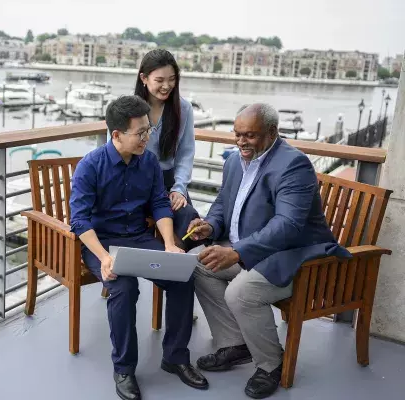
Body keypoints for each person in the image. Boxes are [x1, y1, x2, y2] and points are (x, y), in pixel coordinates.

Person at [185, 103, 351, 399]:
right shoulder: (235, 161)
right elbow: (224, 204)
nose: (240, 142)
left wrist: (236, 252)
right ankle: (236, 344)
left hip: (294, 257)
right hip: (253, 250)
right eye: (237, 134)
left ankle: (272, 363)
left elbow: (287, 225)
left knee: (241, 292)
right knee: (195, 264)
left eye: (249, 135)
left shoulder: (293, 165)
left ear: (272, 132)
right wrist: (210, 226)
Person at [70, 95, 208, 400]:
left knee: (183, 276)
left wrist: (170, 245)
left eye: (149, 131)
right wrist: (104, 257)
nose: (148, 138)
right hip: (101, 244)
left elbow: (160, 203)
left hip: (138, 238)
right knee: (123, 287)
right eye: (141, 133)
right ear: (116, 135)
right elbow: (79, 221)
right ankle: (124, 369)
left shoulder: (148, 162)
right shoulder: (90, 166)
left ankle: (175, 357)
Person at [134, 49, 201, 250]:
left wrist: (179, 189)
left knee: (188, 218)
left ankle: (175, 270)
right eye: (160, 80)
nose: (167, 86)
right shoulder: (127, 108)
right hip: (136, 181)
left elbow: (185, 154)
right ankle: (164, 266)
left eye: (172, 79)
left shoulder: (183, 108)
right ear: (144, 78)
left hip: (169, 182)